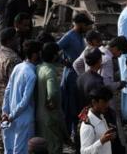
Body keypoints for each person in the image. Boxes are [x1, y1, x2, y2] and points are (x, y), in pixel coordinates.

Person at [2, 40, 42, 154]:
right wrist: (11, 115)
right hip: (24, 118)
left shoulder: (18, 67)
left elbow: (7, 90)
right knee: (21, 150)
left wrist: (5, 111)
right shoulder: (31, 74)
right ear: (34, 54)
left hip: (11, 117)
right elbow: (25, 101)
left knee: (10, 148)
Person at [59, 13, 93, 141]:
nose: (87, 27)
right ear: (79, 24)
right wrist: (63, 61)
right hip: (70, 76)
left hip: (79, 75)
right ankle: (68, 134)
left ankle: (76, 132)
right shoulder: (69, 36)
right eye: (86, 25)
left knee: (78, 104)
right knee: (69, 105)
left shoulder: (80, 37)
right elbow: (54, 48)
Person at [0, 28, 22, 154]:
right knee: (13, 131)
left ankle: (0, 150)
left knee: (1, 128)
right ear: (9, 41)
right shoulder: (13, 59)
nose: (18, 40)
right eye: (15, 38)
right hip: (11, 99)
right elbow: (17, 84)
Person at [36, 42, 67, 154]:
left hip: (39, 114)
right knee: (54, 146)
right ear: (54, 56)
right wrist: (52, 103)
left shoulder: (39, 67)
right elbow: (53, 93)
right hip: (50, 116)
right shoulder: (50, 72)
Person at [79, 86, 117, 154]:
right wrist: (101, 141)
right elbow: (83, 152)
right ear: (94, 102)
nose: (107, 105)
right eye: (104, 102)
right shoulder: (88, 125)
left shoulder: (101, 116)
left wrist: (108, 138)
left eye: (108, 101)